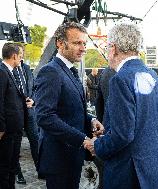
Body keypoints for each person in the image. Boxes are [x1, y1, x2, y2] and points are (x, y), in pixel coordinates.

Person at [84, 23, 158, 189]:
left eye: (107, 47)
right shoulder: (154, 76)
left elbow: (123, 135)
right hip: (152, 169)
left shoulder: (120, 79)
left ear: (113, 48)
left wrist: (97, 145)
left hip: (128, 172)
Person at [34, 22, 103, 189]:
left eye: (84, 43)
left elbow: (72, 110)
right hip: (59, 158)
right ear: (59, 43)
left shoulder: (69, 70)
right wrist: (83, 140)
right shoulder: (50, 71)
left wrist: (91, 120)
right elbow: (45, 117)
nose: (83, 48)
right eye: (77, 43)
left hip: (72, 155)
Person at [0, 43, 32, 189]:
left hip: (15, 129)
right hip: (7, 131)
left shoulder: (10, 72)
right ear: (14, 56)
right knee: (5, 167)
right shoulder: (2, 72)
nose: (21, 59)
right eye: (20, 56)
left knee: (12, 165)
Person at [14, 48, 39, 184]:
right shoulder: (6, 68)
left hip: (29, 113)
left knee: (35, 141)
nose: (21, 56)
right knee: (16, 145)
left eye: (22, 53)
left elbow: (34, 87)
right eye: (19, 53)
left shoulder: (27, 68)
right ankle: (18, 174)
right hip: (15, 113)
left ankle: (40, 169)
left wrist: (33, 100)